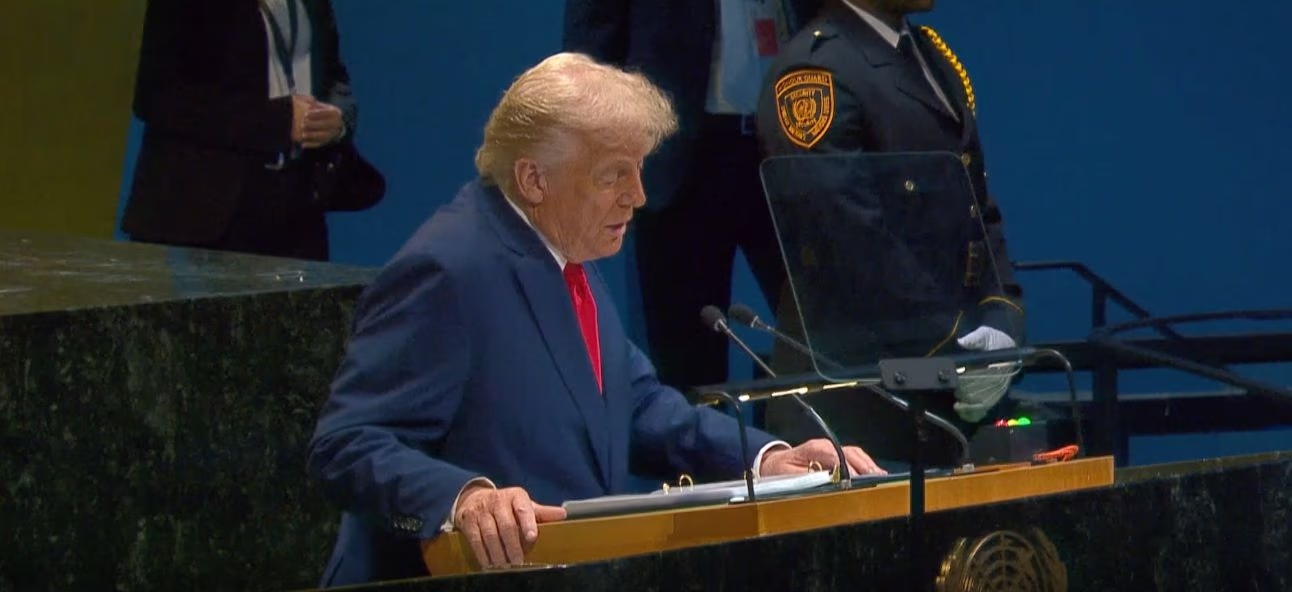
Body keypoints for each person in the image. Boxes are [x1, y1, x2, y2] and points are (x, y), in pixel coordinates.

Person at [306, 52, 883, 587]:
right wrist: (465, 498)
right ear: (534, 179)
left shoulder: (562, 250)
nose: (638, 195)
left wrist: (767, 459)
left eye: (639, 170)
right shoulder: (447, 271)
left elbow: (636, 404)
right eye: (612, 175)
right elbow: (345, 444)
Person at [754, 0, 1027, 466]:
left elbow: (978, 213)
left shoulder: (928, 54)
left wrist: (1003, 325)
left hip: (949, 400)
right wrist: (959, 346)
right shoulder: (814, 72)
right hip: (860, 408)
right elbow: (849, 241)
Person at [562, 0, 822, 390]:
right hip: (681, 156)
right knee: (687, 364)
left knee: (825, 337)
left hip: (793, 139)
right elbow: (593, 43)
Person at [122, 0, 380, 261]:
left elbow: (333, 75)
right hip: (204, 213)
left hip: (297, 206)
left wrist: (339, 121)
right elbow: (156, 95)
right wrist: (278, 120)